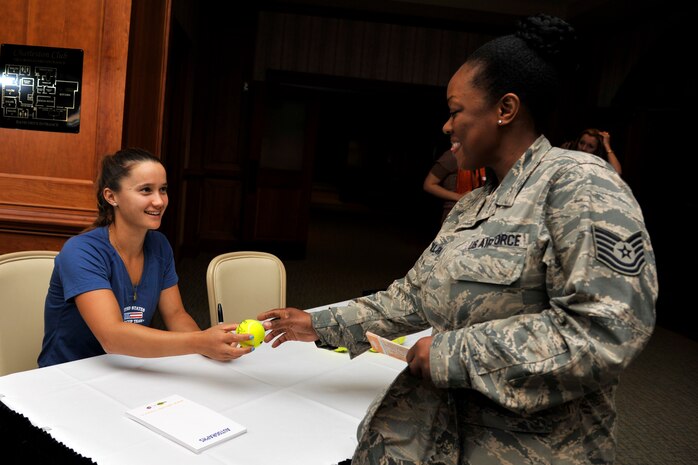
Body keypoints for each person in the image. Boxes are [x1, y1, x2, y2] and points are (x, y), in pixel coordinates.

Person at [257, 13, 657, 465]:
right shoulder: (471, 204)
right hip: (435, 438)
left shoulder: (579, 184)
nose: (446, 127)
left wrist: (452, 352)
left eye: (455, 111)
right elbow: (411, 298)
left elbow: (607, 330)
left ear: (505, 109)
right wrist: (318, 323)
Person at [38, 148, 254, 367]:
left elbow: (176, 315)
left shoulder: (159, 245)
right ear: (111, 196)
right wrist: (200, 342)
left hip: (129, 368)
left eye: (163, 190)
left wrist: (211, 350)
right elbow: (112, 337)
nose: (159, 201)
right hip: (68, 377)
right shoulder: (81, 251)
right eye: (146, 190)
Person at [423, 150, 486, 223]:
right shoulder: (452, 156)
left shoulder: (483, 156)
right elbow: (429, 185)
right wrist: (459, 196)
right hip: (455, 216)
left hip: (479, 213)